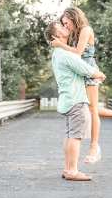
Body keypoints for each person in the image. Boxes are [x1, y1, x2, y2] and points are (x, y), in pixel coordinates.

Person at [49, 6, 112, 165]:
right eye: (63, 24)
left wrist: (59, 44)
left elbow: (76, 52)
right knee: (89, 108)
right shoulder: (75, 33)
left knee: (91, 110)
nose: (65, 26)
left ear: (73, 17)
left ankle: (94, 147)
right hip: (80, 72)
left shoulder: (85, 30)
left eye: (66, 22)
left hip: (89, 72)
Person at [44, 20, 106, 181]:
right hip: (76, 99)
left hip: (67, 99)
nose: (65, 27)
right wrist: (99, 74)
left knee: (70, 135)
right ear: (58, 35)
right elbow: (87, 70)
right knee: (76, 137)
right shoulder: (66, 54)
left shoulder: (57, 53)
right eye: (62, 27)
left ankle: (67, 169)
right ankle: (72, 171)